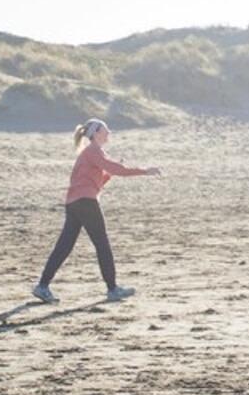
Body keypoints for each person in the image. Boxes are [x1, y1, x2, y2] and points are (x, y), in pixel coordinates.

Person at [32, 118, 159, 303]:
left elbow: (97, 181)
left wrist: (109, 173)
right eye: (106, 130)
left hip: (74, 203)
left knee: (64, 246)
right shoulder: (93, 151)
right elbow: (119, 170)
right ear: (97, 133)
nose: (109, 133)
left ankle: (42, 286)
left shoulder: (89, 153)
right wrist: (145, 171)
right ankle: (113, 289)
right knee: (102, 244)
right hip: (86, 202)